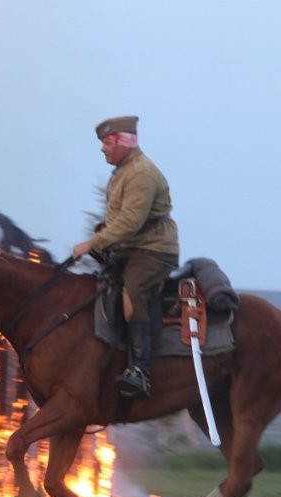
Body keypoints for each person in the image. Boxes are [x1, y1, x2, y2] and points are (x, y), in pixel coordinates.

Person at [72, 116, 179, 398]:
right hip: (131, 248)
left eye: (107, 143)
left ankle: (140, 371)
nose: (103, 150)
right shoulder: (122, 171)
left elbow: (130, 223)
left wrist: (91, 243)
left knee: (132, 296)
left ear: (122, 142)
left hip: (154, 250)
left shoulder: (140, 174)